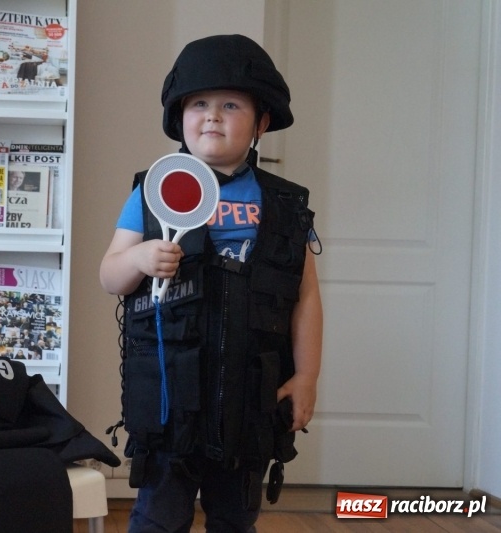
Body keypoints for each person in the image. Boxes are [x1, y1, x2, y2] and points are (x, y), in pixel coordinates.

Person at [99, 34, 323, 533]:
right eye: (199, 103)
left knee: (235, 519)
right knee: (159, 518)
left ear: (261, 122)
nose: (213, 115)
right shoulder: (151, 191)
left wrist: (306, 376)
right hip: (170, 400)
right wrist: (138, 256)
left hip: (249, 401)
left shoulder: (283, 205)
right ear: (180, 117)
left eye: (230, 105)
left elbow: (305, 296)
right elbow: (110, 276)